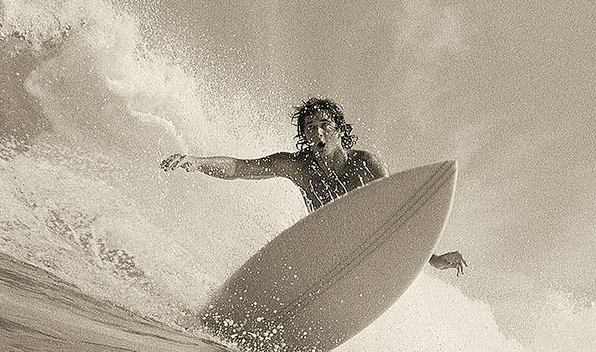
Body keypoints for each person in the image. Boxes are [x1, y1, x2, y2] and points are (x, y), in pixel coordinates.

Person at [161, 97, 467, 275]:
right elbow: (241, 168)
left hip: (367, 244)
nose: (318, 132)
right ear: (305, 136)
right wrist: (197, 161)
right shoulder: (297, 166)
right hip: (325, 249)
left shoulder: (367, 164)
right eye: (310, 128)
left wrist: (434, 259)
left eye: (325, 125)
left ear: (339, 130)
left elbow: (397, 218)